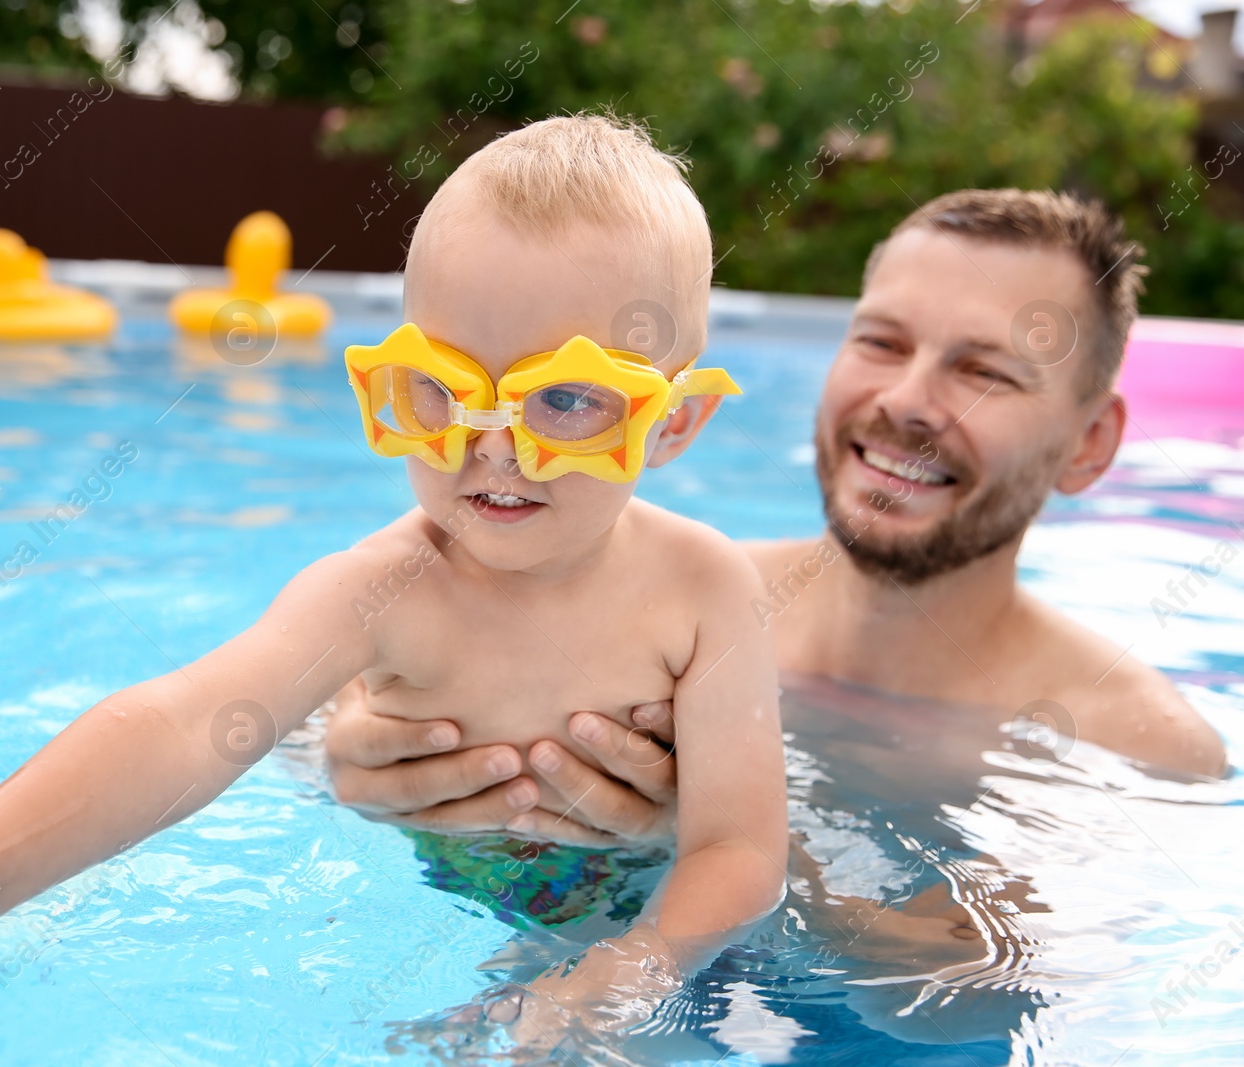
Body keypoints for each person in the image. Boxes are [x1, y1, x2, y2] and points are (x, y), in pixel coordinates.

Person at [0, 114, 790, 1050]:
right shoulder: (387, 586)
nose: (493, 449)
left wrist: (617, 974)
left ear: (675, 423)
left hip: (655, 922)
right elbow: (182, 721)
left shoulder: (704, 592)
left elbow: (739, 850)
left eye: (564, 399)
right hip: (442, 897)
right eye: (439, 390)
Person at [324, 187, 1228, 849]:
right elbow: (344, 706)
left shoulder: (1140, 747)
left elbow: (995, 1005)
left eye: (983, 370)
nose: (907, 400)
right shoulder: (651, 596)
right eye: (881, 342)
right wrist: (357, 753)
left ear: (1091, 444)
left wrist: (717, 835)